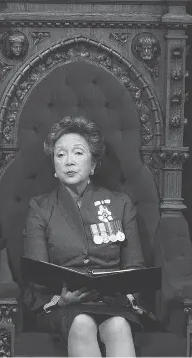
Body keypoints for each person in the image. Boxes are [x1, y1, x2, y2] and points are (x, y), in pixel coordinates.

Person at [23, 116, 146, 357]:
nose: (68, 161)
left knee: (119, 326)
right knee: (81, 323)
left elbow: (135, 266)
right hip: (64, 304)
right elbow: (35, 272)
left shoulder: (120, 203)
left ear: (93, 164)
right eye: (60, 155)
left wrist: (125, 294)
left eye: (78, 153)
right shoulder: (40, 207)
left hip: (113, 301)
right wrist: (62, 299)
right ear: (54, 168)